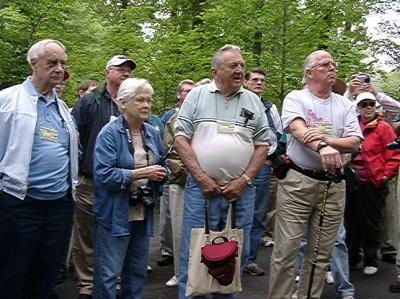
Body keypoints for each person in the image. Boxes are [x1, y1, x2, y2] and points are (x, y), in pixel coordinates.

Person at [174, 44, 273, 298]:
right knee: (195, 249)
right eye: (233, 65)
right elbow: (181, 138)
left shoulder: (253, 100)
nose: (240, 69)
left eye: (242, 65)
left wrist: (245, 179)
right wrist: (201, 177)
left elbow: (264, 144)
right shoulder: (197, 95)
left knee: (234, 250)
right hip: (201, 188)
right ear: (215, 70)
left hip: (240, 191)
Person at [267, 50, 362, 299]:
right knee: (285, 251)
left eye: (334, 63)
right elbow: (298, 130)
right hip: (298, 182)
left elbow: (354, 142)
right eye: (325, 64)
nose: (332, 67)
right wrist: (323, 147)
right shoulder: (296, 97)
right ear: (309, 73)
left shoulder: (345, 104)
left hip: (333, 185)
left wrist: (325, 139)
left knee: (321, 253)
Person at [0, 39, 78, 299]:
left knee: (46, 272)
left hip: (59, 205)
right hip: (20, 202)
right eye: (52, 63)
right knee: (12, 271)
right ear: (34, 64)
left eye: (62, 64)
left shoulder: (63, 108)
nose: (59, 69)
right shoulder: (7, 100)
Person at [92, 78, 167, 299]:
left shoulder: (152, 132)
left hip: (142, 213)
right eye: (140, 100)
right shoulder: (109, 133)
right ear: (123, 103)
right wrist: (143, 173)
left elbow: (160, 165)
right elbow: (103, 175)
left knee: (136, 271)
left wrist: (162, 174)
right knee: (108, 274)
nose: (147, 105)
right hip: (114, 212)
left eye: (149, 100)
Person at [71, 55, 136, 299]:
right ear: (108, 71)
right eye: (120, 69)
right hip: (90, 181)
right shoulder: (90, 102)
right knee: (86, 236)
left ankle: (113, 281)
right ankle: (87, 284)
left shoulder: (131, 103)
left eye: (129, 70)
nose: (125, 74)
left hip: (121, 182)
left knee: (114, 234)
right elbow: (75, 138)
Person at [344, 92, 400, 275]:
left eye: (371, 104)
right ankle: (352, 258)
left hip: (372, 182)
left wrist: (386, 176)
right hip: (351, 181)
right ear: (357, 108)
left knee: (371, 223)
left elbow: (394, 154)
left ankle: (371, 259)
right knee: (350, 222)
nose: (368, 107)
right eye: (364, 104)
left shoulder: (384, 128)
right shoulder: (352, 125)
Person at [243, 67, 283, 276]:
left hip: (263, 166)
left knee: (258, 214)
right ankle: (229, 258)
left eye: (262, 80)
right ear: (246, 82)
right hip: (239, 165)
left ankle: (249, 260)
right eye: (255, 79)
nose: (259, 83)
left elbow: (278, 134)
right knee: (237, 212)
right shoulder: (237, 102)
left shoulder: (269, 107)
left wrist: (271, 158)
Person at [157, 79, 195, 268]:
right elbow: (168, 149)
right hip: (177, 176)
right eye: (186, 91)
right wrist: (185, 171)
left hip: (198, 180)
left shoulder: (198, 115)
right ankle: (170, 253)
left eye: (192, 91)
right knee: (171, 218)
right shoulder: (170, 117)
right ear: (179, 94)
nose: (189, 94)